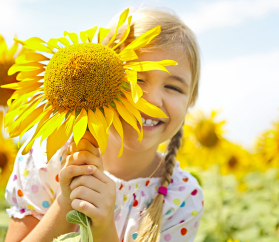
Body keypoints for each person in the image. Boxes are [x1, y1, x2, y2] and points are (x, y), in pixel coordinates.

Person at [4, 7, 203, 242]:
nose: (151, 99)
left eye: (173, 87)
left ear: (190, 100)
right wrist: (65, 205)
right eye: (136, 79)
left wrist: (103, 228)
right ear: (99, 75)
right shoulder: (46, 160)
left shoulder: (182, 196)